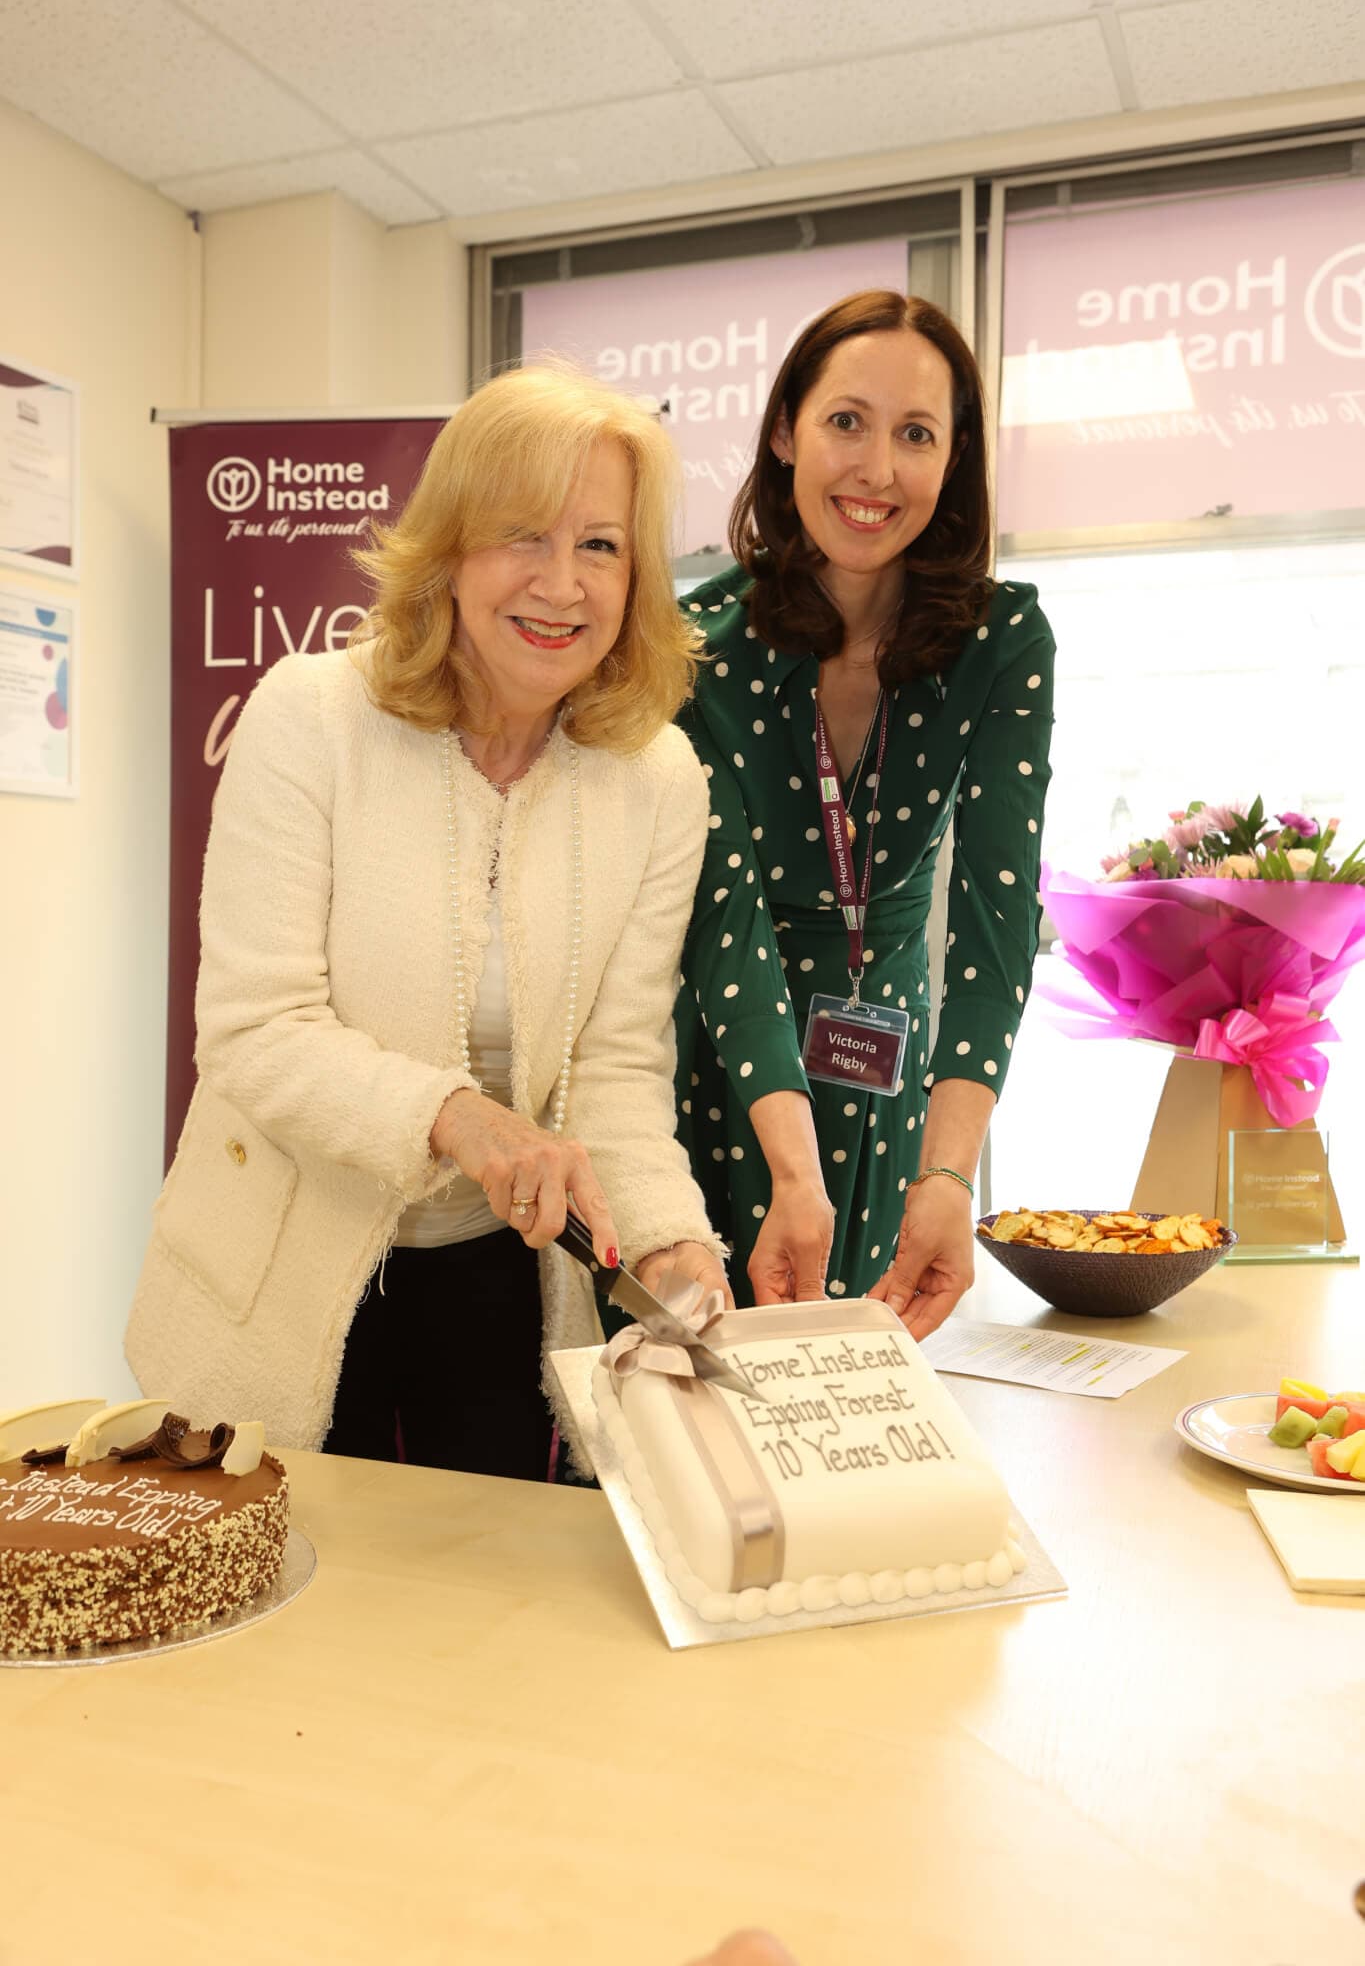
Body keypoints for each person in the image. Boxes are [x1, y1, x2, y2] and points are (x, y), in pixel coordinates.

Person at [126, 364, 728, 1480]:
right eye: (522, 537)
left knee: (477, 1610)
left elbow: (617, 1069)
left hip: (498, 1277)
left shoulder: (659, 779)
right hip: (278, 1266)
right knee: (278, 1608)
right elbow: (255, 1029)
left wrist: (669, 1238)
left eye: (600, 544)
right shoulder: (310, 716)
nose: (562, 584)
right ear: (449, 548)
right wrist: (458, 1116)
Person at [675, 290, 1054, 1335]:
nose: (877, 469)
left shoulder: (1004, 640)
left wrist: (948, 1169)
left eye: (916, 433)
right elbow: (726, 915)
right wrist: (793, 1173)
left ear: (954, 458)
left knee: (856, 1405)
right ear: (787, 427)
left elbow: (994, 920)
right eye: (847, 420)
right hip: (725, 1058)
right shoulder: (694, 645)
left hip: (888, 1070)